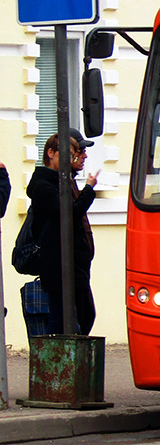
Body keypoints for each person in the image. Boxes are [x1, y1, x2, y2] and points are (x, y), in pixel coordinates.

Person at [26, 128, 98, 335]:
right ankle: (58, 365)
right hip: (60, 266)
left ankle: (66, 363)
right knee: (61, 320)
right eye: (71, 154)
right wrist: (89, 190)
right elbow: (69, 214)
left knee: (83, 316)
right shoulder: (44, 185)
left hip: (74, 265)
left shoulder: (64, 182)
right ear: (51, 154)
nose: (77, 158)